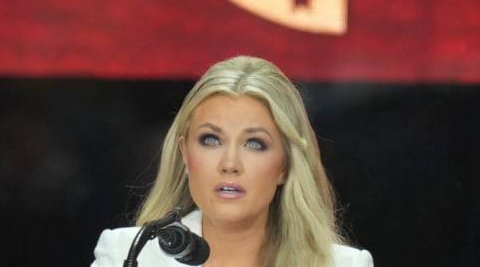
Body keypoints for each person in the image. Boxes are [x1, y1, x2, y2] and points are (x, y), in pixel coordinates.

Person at [90, 56, 373, 267]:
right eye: (211, 140)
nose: (230, 163)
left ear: (284, 166)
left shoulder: (344, 265)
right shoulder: (126, 254)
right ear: (185, 155)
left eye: (254, 144)